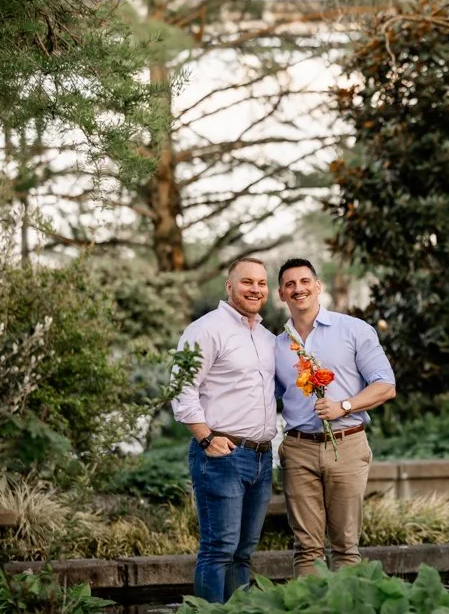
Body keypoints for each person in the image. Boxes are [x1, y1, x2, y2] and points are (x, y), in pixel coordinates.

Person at [274, 257, 396, 576]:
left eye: (304, 282)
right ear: (281, 294)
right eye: (290, 284)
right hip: (298, 450)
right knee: (306, 549)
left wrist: (344, 406)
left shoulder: (353, 330)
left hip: (347, 444)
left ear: (318, 287)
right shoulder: (275, 345)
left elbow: (385, 385)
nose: (298, 289)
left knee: (345, 546)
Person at [170, 258, 277, 603]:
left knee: (243, 553)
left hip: (261, 458)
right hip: (222, 455)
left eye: (261, 283)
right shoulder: (207, 329)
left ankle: (238, 611)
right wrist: (205, 437)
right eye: (247, 282)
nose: (255, 289)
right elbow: (181, 387)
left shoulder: (266, 337)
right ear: (229, 286)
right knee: (218, 550)